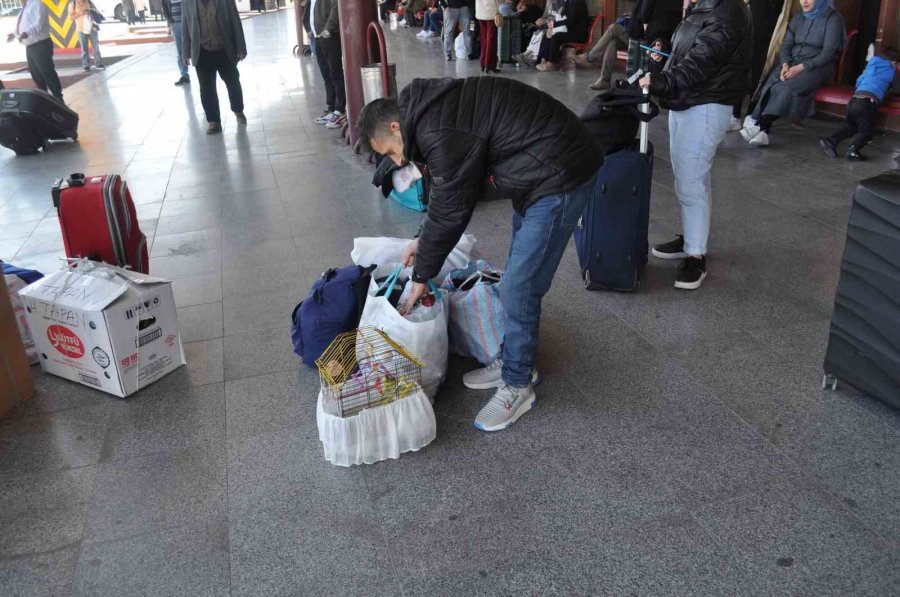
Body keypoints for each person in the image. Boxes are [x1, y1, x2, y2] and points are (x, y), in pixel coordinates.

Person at [357, 77, 603, 431]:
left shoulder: (436, 129)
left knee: (521, 285)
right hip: (534, 169)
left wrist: (422, 276)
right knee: (518, 275)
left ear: (396, 126)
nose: (399, 159)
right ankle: (514, 359)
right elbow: (446, 193)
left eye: (391, 151)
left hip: (560, 173)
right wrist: (421, 239)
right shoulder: (429, 115)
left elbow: (452, 209)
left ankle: (518, 384)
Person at [639, 0, 751, 290]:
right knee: (691, 176)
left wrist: (661, 81)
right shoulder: (705, 6)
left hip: (706, 104)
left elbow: (702, 62)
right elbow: (685, 52)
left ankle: (695, 256)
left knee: (690, 179)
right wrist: (661, 56)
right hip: (686, 100)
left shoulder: (728, 11)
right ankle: (692, 238)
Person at [740, 0, 845, 147]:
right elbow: (786, 45)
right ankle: (763, 132)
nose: (804, 1)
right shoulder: (798, 17)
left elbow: (828, 53)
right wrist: (785, 64)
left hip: (818, 67)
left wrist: (800, 68)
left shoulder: (833, 18)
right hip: (792, 63)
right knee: (770, 84)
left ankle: (760, 126)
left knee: (785, 88)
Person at [820, 47, 899, 161]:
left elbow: (858, 82)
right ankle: (853, 151)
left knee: (852, 127)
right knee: (868, 130)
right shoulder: (892, 70)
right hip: (867, 103)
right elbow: (897, 89)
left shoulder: (870, 67)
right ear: (894, 62)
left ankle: (830, 140)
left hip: (854, 100)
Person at [182, 0, 247, 134]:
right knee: (206, 89)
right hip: (201, 51)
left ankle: (238, 110)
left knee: (233, 82)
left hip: (224, 49)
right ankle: (214, 121)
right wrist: (185, 51)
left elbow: (235, 20)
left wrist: (240, 47)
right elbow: (185, 25)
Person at [6, 0, 64, 102]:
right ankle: (45, 100)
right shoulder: (25, 7)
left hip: (41, 45)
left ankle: (58, 99)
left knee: (47, 73)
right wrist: (14, 34)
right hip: (30, 47)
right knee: (36, 75)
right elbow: (24, 26)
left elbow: (39, 23)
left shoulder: (37, 3)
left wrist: (27, 33)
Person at [303, 0, 346, 130]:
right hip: (317, 38)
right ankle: (331, 108)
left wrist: (328, 28)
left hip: (329, 37)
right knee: (326, 76)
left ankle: (340, 110)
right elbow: (308, 12)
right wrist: (308, 29)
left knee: (336, 74)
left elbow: (335, 8)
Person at [535, 0, 587, 71]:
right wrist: (552, 25)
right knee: (548, 34)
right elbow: (562, 17)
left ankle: (552, 63)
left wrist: (554, 24)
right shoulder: (569, 2)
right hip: (568, 30)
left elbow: (571, 20)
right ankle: (543, 60)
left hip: (577, 34)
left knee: (556, 37)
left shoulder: (578, 2)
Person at [68, 0, 105, 72]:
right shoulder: (73, 4)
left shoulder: (89, 2)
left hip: (92, 28)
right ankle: (86, 65)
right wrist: (80, 13)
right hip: (81, 29)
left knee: (96, 47)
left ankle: (99, 63)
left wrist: (91, 11)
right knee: (84, 49)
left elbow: (96, 11)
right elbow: (70, 17)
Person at [162, 0, 189, 85]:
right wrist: (169, 24)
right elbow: (165, 9)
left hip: (189, 23)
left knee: (196, 48)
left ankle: (203, 74)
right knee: (180, 52)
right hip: (175, 24)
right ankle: (184, 75)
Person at [475, 0, 501, 73]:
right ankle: (489, 64)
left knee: (484, 39)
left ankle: (483, 63)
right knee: (491, 40)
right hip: (491, 11)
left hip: (480, 11)